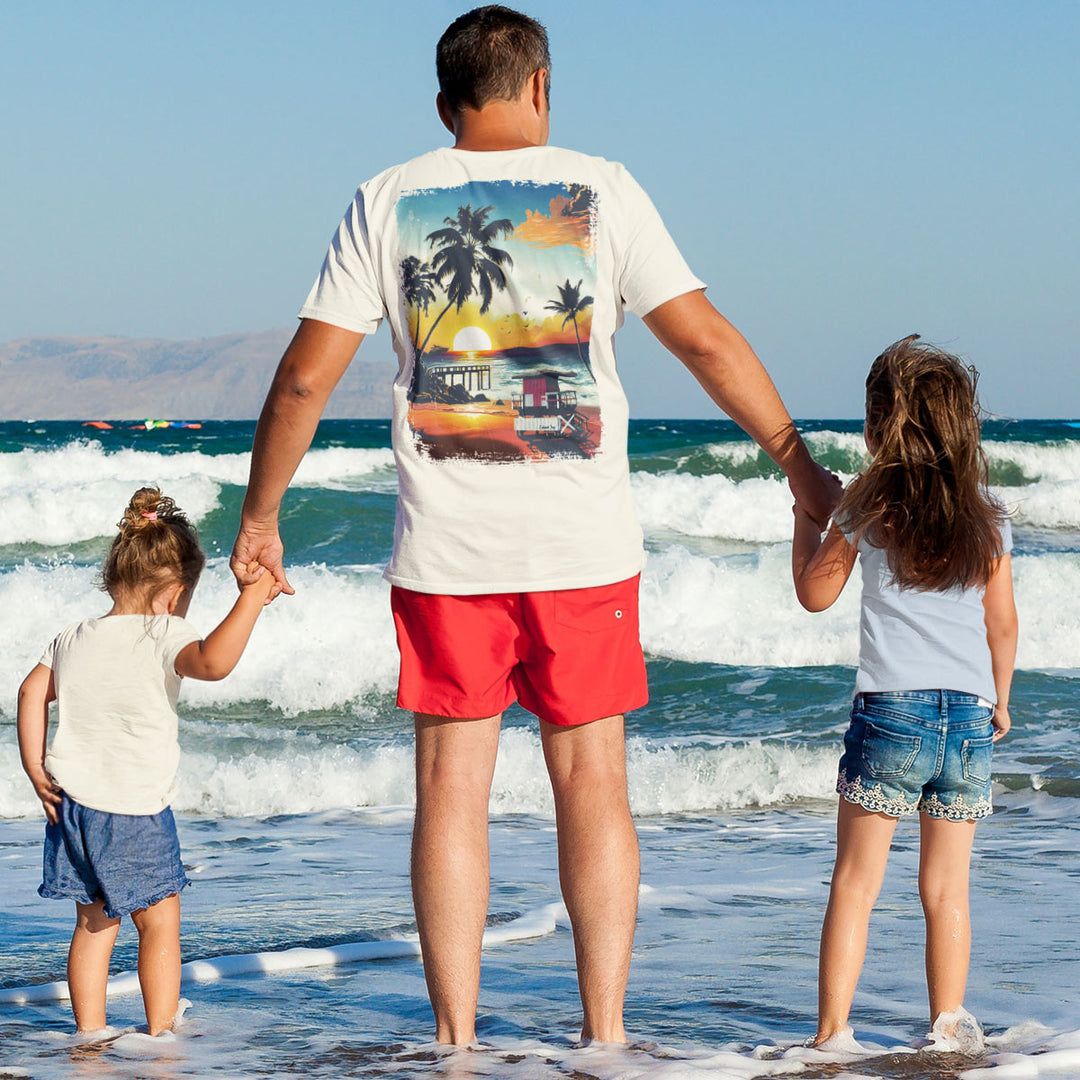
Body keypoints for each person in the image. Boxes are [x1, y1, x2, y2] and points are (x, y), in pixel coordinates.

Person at [230, 5, 839, 1045]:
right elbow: (703, 342)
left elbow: (300, 383)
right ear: (543, 86)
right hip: (581, 546)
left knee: (449, 789)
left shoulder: (385, 199)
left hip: (444, 552)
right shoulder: (604, 189)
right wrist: (799, 465)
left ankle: (456, 1046)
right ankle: (602, 1037)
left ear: (442, 105)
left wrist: (261, 516)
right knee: (593, 777)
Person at [791, 336, 1018, 1046]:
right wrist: (999, 699)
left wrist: (807, 519)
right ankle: (948, 1025)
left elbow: (814, 595)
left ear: (878, 427)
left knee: (856, 882)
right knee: (947, 890)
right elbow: (1002, 625)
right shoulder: (988, 518)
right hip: (970, 719)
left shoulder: (867, 506)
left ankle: (833, 1034)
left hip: (893, 712)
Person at [17, 487, 278, 1035]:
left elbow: (29, 693)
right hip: (132, 809)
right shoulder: (167, 632)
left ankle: (89, 1034)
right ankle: (160, 1032)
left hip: (71, 807)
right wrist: (251, 602)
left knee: (93, 924)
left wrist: (35, 767)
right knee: (158, 923)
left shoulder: (72, 636)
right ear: (173, 593)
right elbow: (212, 664)